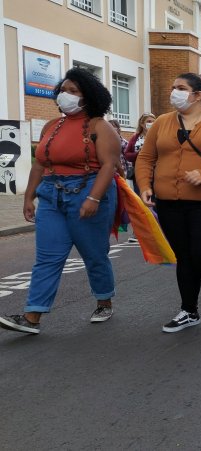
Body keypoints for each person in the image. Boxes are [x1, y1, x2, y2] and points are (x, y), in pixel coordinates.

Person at [0, 68, 119, 334]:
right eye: (63, 90)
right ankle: (32, 316)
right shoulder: (52, 126)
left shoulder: (101, 127)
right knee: (47, 257)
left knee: (94, 254)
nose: (66, 95)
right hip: (51, 196)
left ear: (88, 97)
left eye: (73, 91)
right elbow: (39, 164)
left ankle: (104, 301)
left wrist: (93, 198)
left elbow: (109, 166)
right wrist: (29, 197)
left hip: (87, 192)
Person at [135, 72, 201, 333]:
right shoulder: (162, 122)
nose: (174, 92)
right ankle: (189, 310)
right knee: (184, 257)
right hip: (169, 203)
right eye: (173, 86)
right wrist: (145, 186)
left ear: (197, 95)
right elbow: (146, 157)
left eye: (181, 88)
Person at [123, 112, 157, 243]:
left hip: (157, 174)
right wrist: (140, 154)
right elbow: (127, 154)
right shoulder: (136, 137)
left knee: (157, 202)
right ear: (142, 123)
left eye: (153, 121)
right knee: (142, 203)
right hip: (140, 174)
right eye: (148, 121)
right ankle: (138, 233)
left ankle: (158, 230)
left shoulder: (158, 135)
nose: (151, 123)